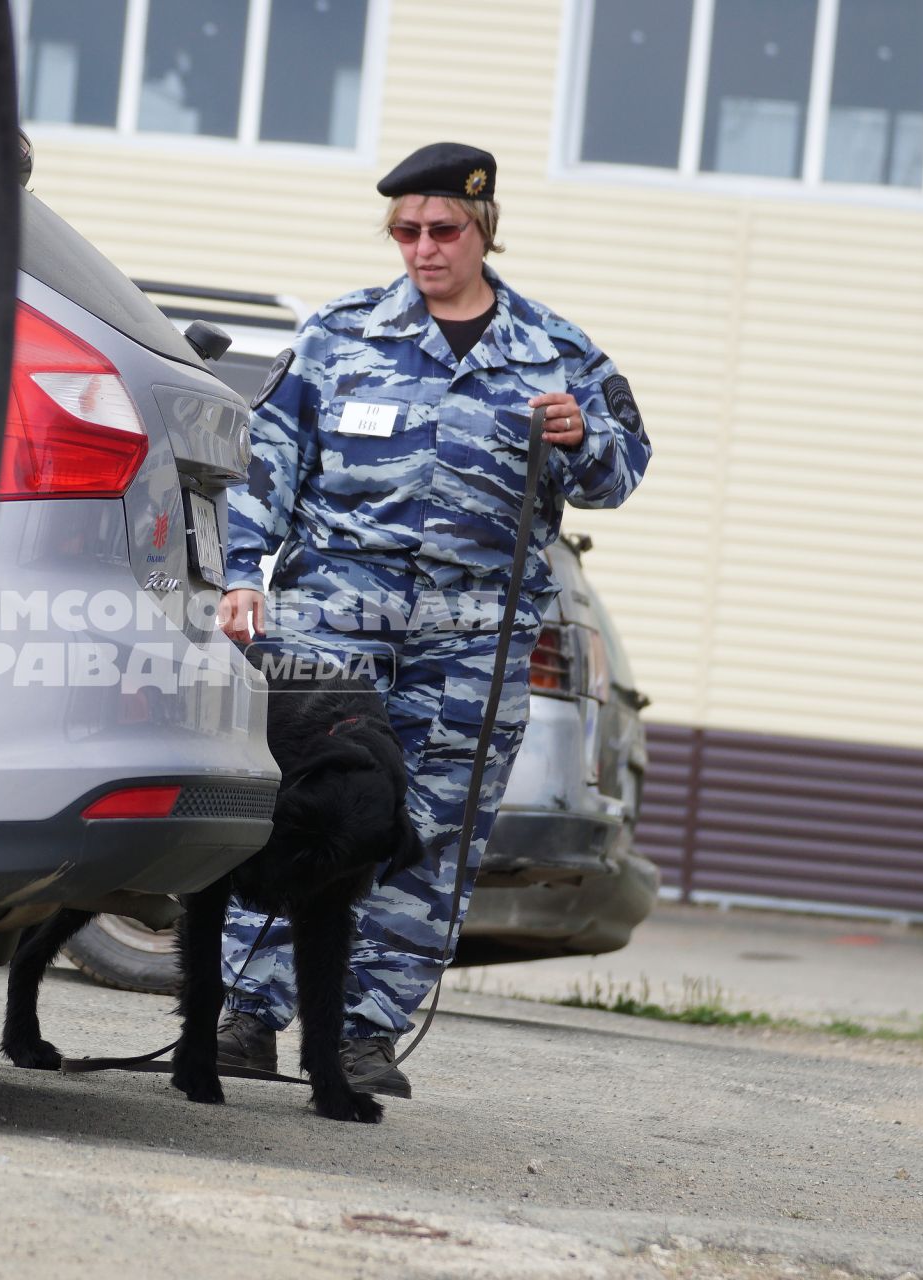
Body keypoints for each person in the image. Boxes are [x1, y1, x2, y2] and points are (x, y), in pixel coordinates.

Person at [214, 142, 652, 1097]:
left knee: (437, 825)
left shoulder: (556, 350)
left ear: (483, 228)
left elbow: (622, 474)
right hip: (332, 616)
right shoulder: (338, 334)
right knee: (291, 804)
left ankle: (367, 1032)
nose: (422, 247)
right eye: (406, 231)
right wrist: (242, 571)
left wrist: (586, 438)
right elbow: (267, 462)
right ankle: (246, 1011)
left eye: (442, 229)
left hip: (474, 638)